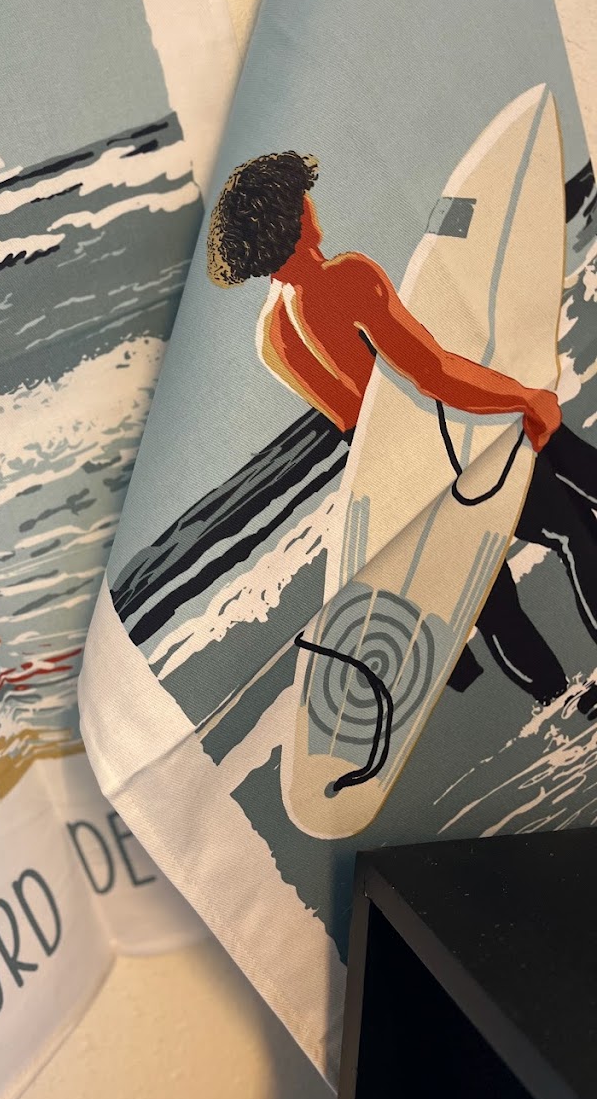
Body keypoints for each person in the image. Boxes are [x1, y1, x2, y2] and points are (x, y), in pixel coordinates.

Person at [206, 149, 597, 715]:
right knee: (572, 532)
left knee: (494, 606)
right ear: (291, 215)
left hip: (398, 484)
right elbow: (433, 373)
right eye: (301, 197)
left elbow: (354, 420)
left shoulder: (270, 336)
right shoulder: (344, 277)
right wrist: (523, 397)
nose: (312, 204)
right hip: (450, 447)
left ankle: (561, 706)